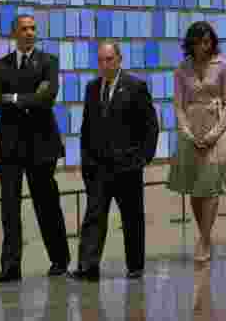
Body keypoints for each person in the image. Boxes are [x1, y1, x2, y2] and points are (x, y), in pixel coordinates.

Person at [0, 14, 70, 283]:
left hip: (41, 145)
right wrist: (27, 99)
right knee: (9, 210)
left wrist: (13, 98)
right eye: (24, 29)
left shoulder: (48, 62)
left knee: (47, 205)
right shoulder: (1, 66)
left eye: (33, 29)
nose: (29, 33)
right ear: (14, 34)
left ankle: (59, 259)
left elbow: (45, 98)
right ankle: (11, 267)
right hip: (10, 147)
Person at [72, 42, 160, 281]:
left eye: (109, 59)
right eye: (101, 60)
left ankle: (135, 266)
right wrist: (86, 161)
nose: (105, 64)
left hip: (127, 167)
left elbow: (150, 125)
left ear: (119, 59)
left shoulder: (135, 86)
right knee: (93, 217)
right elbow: (87, 128)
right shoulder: (92, 88)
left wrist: (143, 158)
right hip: (98, 167)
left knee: (132, 218)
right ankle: (87, 267)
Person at [167, 21, 226, 263]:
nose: (203, 46)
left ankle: (205, 239)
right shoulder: (181, 69)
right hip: (191, 128)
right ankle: (203, 234)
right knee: (196, 187)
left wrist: (215, 133)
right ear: (191, 43)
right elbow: (178, 104)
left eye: (207, 41)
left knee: (212, 184)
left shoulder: (223, 66)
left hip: (217, 127)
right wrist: (186, 131)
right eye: (199, 42)